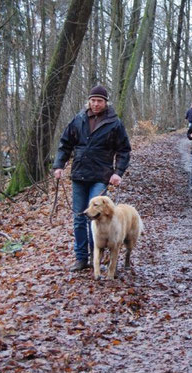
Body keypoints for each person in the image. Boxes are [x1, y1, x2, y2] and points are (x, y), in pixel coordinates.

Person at [53, 85, 131, 271]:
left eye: (100, 101)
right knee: (79, 218)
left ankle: (98, 253)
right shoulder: (78, 120)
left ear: (105, 103)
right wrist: (58, 165)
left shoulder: (114, 123)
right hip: (79, 175)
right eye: (93, 100)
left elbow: (124, 150)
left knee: (96, 216)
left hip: (101, 175)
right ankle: (81, 258)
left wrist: (117, 173)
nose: (96, 104)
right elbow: (65, 144)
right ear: (89, 101)